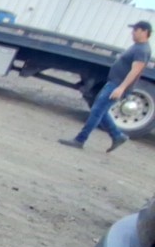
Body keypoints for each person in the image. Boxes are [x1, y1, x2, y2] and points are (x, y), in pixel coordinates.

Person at [59, 21, 151, 152]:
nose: (132, 33)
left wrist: (121, 88)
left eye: (135, 30)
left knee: (97, 111)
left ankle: (80, 139)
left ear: (144, 31)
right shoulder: (137, 46)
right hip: (114, 83)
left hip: (117, 85)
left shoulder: (142, 50)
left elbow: (135, 71)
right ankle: (117, 136)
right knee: (99, 111)